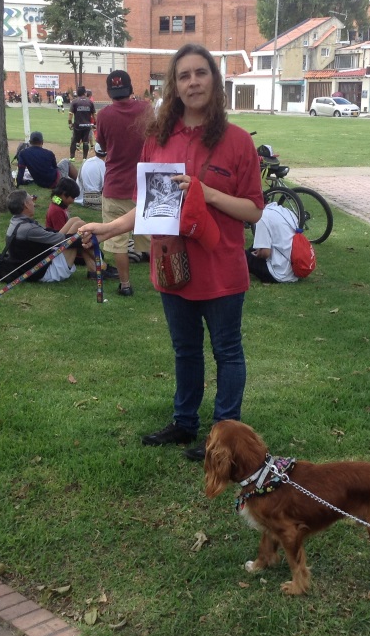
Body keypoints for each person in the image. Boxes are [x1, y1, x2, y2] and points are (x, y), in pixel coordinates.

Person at [79, 43, 264, 461]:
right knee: (185, 350)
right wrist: (108, 227)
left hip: (221, 270)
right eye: (184, 75)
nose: (193, 81)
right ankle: (184, 423)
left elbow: (253, 209)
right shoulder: (158, 140)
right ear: (174, 85)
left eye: (201, 73)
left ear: (214, 82)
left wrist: (209, 194)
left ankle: (224, 434)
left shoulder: (236, 142)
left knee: (227, 351)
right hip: (172, 267)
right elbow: (148, 208)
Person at [96, 69, 153, 297]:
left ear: (110, 92)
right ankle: (165, 279)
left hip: (116, 185)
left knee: (118, 241)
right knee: (153, 237)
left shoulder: (104, 115)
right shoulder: (146, 109)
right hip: (144, 184)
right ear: (130, 88)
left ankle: (125, 285)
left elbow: (101, 145)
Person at [4, 190, 100, 283]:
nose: (33, 203)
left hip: (33, 264)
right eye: (32, 200)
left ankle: (95, 269)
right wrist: (93, 239)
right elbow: (61, 240)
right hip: (41, 271)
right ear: (26, 204)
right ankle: (100, 266)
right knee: (80, 230)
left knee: (77, 222)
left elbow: (52, 235)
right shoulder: (28, 228)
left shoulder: (16, 221)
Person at [246, 203, 300, 284]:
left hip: (277, 274)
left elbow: (265, 253)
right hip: (294, 270)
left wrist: (257, 254)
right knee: (253, 247)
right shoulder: (287, 211)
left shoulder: (262, 217)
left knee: (241, 253)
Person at [68, 85, 96, 160]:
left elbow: (70, 114)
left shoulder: (74, 102)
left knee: (74, 140)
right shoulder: (90, 102)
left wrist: (70, 123)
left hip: (77, 126)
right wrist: (95, 124)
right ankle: (84, 158)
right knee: (86, 141)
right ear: (85, 93)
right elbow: (94, 114)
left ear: (77, 93)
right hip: (87, 126)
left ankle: (72, 157)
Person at [78, 143, 106, 208]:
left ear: (95, 151)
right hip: (92, 198)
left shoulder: (87, 161)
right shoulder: (104, 166)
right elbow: (105, 187)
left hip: (81, 195)